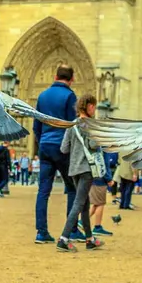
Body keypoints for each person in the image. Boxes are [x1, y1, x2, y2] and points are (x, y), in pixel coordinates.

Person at [33, 66, 78, 243]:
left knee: (43, 191)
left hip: (44, 145)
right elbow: (71, 125)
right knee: (73, 188)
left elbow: (36, 126)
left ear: (55, 76)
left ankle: (41, 232)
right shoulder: (69, 96)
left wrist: (42, 140)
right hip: (62, 147)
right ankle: (72, 230)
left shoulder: (42, 96)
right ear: (72, 79)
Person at [56, 95, 106, 252]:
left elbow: (63, 149)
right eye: (94, 106)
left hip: (74, 169)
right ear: (89, 106)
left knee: (84, 204)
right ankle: (63, 238)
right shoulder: (90, 125)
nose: (95, 109)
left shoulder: (72, 125)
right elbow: (93, 145)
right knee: (79, 203)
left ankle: (89, 239)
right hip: (86, 168)